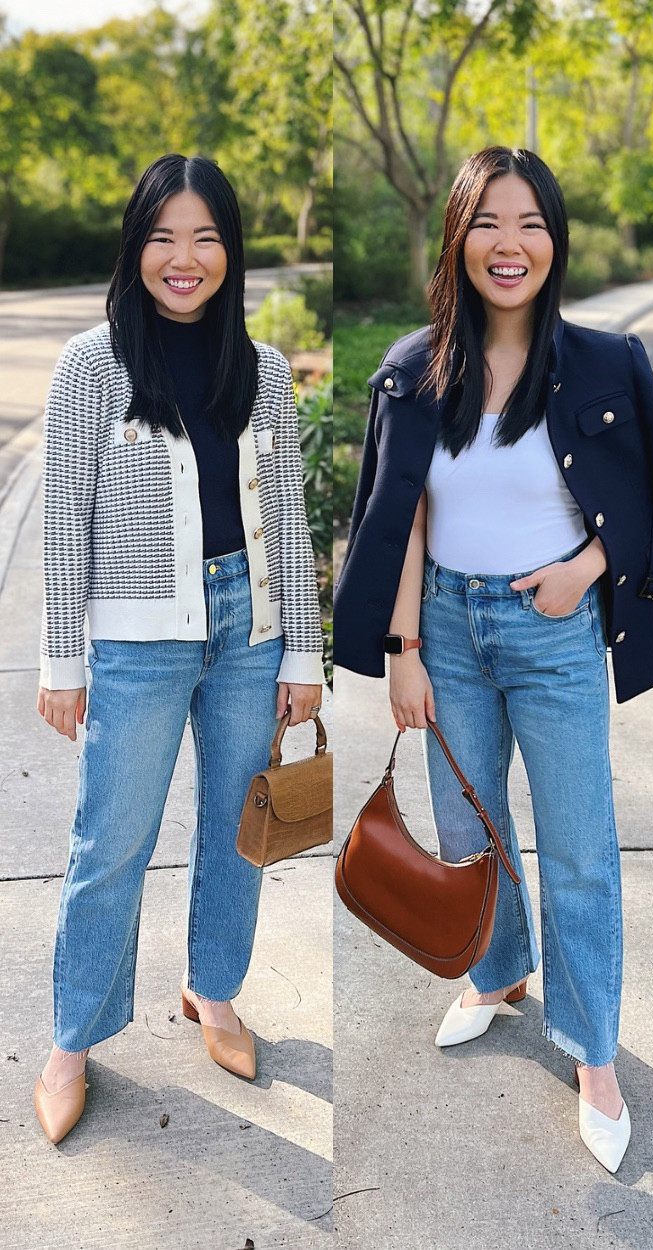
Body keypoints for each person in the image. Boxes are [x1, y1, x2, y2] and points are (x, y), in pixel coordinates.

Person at [334, 146, 653, 1173]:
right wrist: (401, 647)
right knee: (465, 828)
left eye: (529, 222)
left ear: (554, 239)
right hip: (446, 633)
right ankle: (497, 971)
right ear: (457, 237)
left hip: (554, 629)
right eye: (488, 222)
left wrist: (587, 569)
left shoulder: (608, 361)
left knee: (577, 846)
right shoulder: (410, 366)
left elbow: (650, 497)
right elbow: (404, 519)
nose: (508, 244)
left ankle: (591, 1047)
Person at [33, 154, 325, 1145]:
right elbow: (63, 522)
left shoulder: (267, 368)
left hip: (249, 630)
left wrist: (302, 654)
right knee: (107, 841)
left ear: (230, 251)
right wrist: (62, 661)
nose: (184, 258)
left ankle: (214, 989)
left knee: (239, 830)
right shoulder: (91, 364)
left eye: (205, 238)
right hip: (136, 639)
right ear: (136, 246)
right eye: (164, 237)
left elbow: (284, 516)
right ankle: (72, 1039)